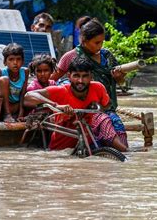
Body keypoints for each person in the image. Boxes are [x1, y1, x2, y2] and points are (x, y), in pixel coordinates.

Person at [24, 57, 128, 152]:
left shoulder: (98, 88)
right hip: (62, 148)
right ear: (69, 76)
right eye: (76, 76)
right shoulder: (60, 91)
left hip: (89, 141)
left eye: (85, 76)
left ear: (91, 76)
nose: (80, 81)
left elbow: (107, 105)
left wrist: (97, 107)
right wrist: (55, 105)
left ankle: (125, 150)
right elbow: (28, 96)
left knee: (104, 118)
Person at [50, 16, 127, 144]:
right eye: (97, 43)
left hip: (105, 107)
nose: (100, 46)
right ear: (85, 41)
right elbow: (53, 79)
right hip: (80, 110)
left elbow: (120, 82)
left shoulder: (107, 56)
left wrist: (119, 78)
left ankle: (124, 152)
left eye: (102, 42)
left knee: (117, 127)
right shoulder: (71, 56)